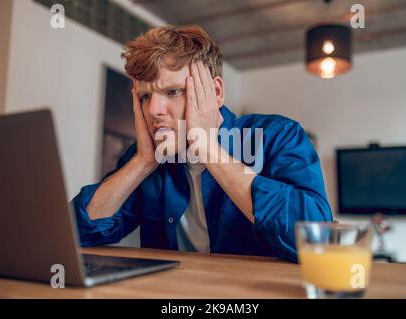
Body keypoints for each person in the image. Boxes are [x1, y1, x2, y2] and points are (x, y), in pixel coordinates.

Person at [71, 25, 332, 262]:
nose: (153, 109)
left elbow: (318, 240)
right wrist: (142, 162)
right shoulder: (146, 156)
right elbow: (76, 232)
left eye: (172, 92)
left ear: (216, 92)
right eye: (145, 96)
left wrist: (208, 149)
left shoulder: (278, 136)